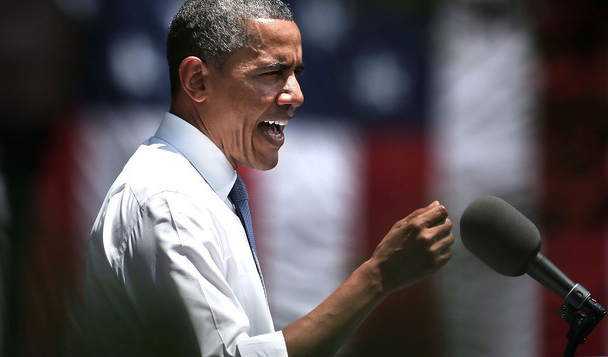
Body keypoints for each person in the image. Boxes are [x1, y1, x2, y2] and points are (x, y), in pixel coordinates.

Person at [83, 0, 455, 356]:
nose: (296, 95)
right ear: (196, 81)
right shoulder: (170, 204)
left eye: (296, 74)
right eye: (273, 74)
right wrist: (377, 276)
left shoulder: (196, 190)